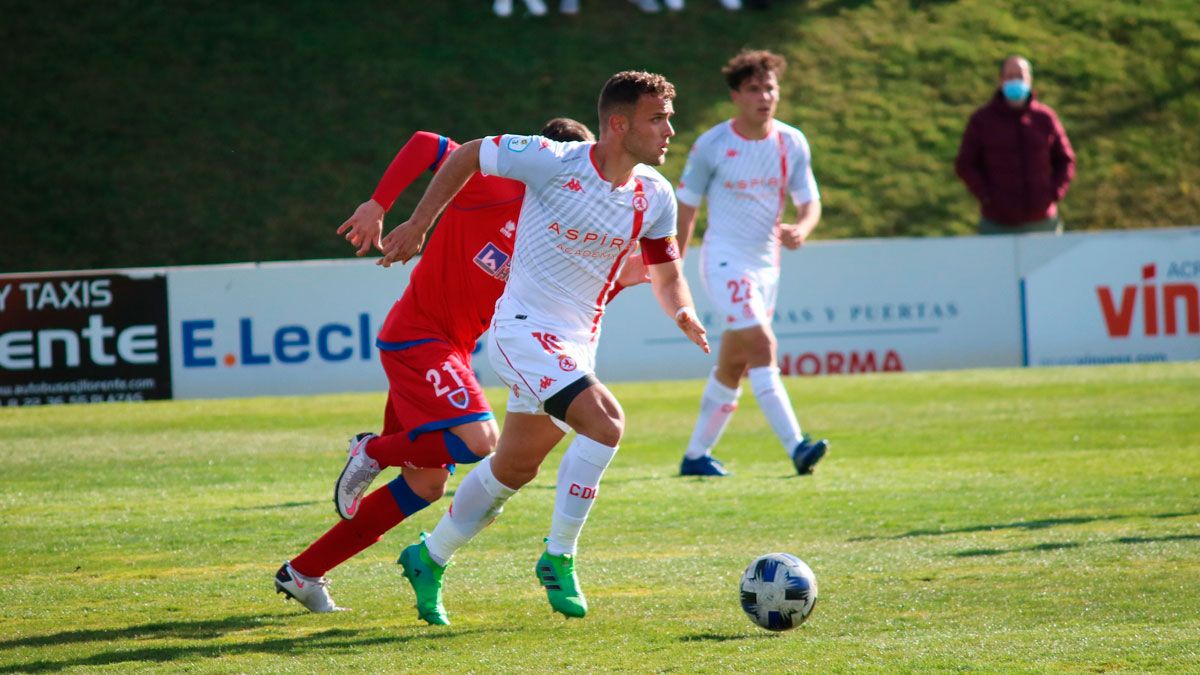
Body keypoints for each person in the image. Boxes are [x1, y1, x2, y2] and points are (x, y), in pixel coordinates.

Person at [378, 70, 710, 624]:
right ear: (618, 123)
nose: (669, 129)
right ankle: (559, 556)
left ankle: (427, 557)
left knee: (512, 470)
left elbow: (665, 271)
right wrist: (419, 221)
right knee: (606, 423)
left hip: (577, 344)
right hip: (522, 330)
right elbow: (470, 155)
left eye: (668, 117)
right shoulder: (554, 161)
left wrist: (683, 310)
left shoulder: (655, 194)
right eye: (658, 118)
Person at [273, 118, 600, 613]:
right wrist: (378, 206)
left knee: (425, 485)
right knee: (481, 442)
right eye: (581, 170)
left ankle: (303, 572)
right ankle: (373, 450)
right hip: (421, 339)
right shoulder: (496, 182)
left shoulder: (554, 227)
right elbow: (428, 144)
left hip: (444, 351)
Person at [674, 49, 829, 478]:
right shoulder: (713, 145)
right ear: (736, 97)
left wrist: (804, 227)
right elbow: (686, 208)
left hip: (766, 266)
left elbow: (809, 200)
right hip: (725, 261)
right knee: (763, 347)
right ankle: (797, 447)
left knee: (735, 364)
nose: (764, 96)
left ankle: (695, 456)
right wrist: (675, 268)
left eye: (770, 87)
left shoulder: (791, 141)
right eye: (754, 89)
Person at [955, 55, 1076, 235]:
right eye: (1010, 76)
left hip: (1042, 220)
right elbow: (966, 164)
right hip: (997, 222)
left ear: (1029, 79)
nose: (1015, 80)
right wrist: (987, 196)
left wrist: (1053, 193)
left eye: (1020, 76)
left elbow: (1065, 160)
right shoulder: (982, 120)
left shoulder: (1045, 118)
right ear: (1001, 80)